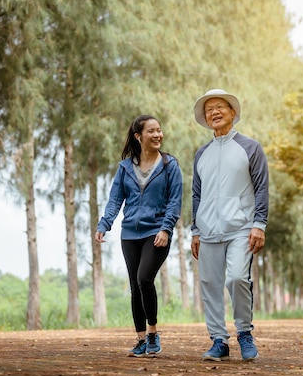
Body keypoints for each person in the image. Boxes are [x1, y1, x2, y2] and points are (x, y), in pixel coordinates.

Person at [191, 89, 269, 362]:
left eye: (220, 107)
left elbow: (261, 188)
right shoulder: (202, 153)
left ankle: (245, 333)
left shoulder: (250, 148)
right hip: (208, 230)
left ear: (232, 112)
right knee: (210, 284)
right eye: (209, 109)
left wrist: (259, 224)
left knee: (237, 278)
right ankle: (218, 341)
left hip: (241, 227)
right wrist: (195, 230)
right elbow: (196, 194)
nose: (214, 112)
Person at [95, 114, 182, 358]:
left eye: (159, 130)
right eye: (151, 131)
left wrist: (166, 228)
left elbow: (175, 201)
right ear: (138, 136)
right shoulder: (125, 168)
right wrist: (105, 224)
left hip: (156, 231)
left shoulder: (169, 165)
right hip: (130, 233)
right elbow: (115, 200)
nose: (157, 135)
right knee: (135, 286)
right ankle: (141, 339)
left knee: (145, 279)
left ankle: (153, 333)